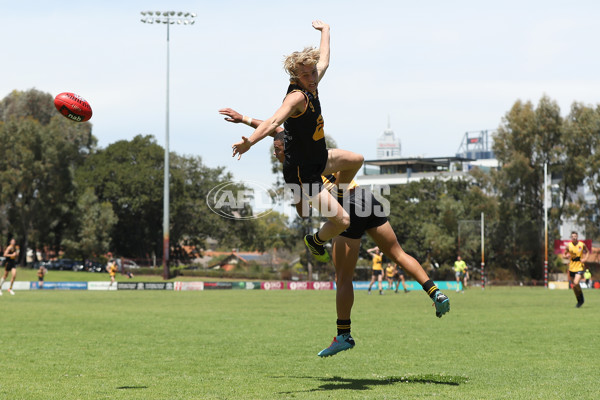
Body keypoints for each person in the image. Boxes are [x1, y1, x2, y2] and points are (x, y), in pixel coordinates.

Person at [222, 109, 450, 357]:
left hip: (346, 207)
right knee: (397, 253)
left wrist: (298, 196)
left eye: (277, 151)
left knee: (343, 277)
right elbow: (273, 127)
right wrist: (243, 119)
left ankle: (343, 334)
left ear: (286, 150)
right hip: (365, 197)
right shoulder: (305, 148)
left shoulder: (294, 171)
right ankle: (434, 292)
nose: (276, 155)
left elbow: (303, 213)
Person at [229, 20, 364, 264]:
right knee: (343, 221)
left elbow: (324, 61)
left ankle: (338, 197)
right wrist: (249, 143)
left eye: (313, 73)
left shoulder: (312, 82)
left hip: (320, 156)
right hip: (305, 172)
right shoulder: (296, 98)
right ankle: (315, 241)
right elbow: (272, 123)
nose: (312, 78)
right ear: (296, 76)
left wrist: (326, 31)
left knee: (356, 160)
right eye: (306, 75)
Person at [563, 231, 588, 308]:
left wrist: (585, 259)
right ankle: (579, 301)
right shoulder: (568, 246)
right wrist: (566, 256)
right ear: (571, 237)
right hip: (572, 267)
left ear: (577, 237)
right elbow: (564, 254)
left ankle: (582, 298)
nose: (574, 237)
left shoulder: (582, 245)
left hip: (580, 266)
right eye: (573, 236)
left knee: (576, 282)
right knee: (574, 286)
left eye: (575, 236)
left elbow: (587, 252)